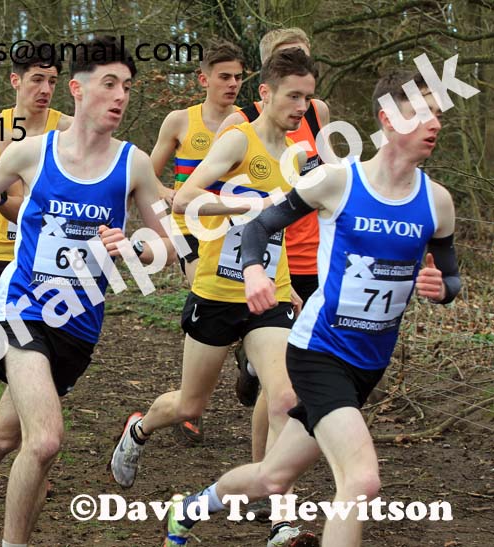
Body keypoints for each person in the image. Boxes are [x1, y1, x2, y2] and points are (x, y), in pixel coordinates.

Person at [163, 69, 459, 547]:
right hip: (319, 352)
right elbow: (260, 226)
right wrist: (256, 272)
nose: (435, 124)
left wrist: (439, 287)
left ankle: (193, 506)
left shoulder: (437, 203)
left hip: (370, 364)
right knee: (361, 482)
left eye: (438, 115)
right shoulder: (337, 181)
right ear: (386, 119)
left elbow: (450, 279)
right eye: (421, 113)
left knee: (272, 478)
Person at [0, 36, 177, 547]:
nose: (120, 95)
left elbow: (168, 247)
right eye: (109, 84)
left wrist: (134, 249)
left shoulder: (135, 165)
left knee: (4, 434)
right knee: (46, 440)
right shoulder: (33, 152)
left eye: (126, 86)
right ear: (78, 91)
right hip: (22, 313)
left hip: (78, 325)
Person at [110, 47, 317, 547]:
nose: (301, 107)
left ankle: (279, 514)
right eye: (293, 96)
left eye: (308, 99)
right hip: (217, 291)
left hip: (269, 294)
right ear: (265, 93)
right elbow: (184, 198)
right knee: (189, 404)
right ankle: (139, 429)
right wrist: (250, 204)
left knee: (284, 397)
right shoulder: (235, 140)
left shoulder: (299, 154)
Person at [220, 31, 331, 483]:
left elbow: (324, 179)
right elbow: (216, 199)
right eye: (286, 59)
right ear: (267, 75)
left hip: (314, 256)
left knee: (296, 373)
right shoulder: (239, 124)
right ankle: (268, 477)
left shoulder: (318, 113)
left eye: (302, 57)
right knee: (279, 384)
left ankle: (272, 473)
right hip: (268, 260)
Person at [148, 38, 245, 444]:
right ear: (204, 78)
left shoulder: (249, 121)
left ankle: (242, 361)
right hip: (189, 228)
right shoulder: (179, 121)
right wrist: (166, 194)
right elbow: (146, 172)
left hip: (232, 231)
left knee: (236, 306)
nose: (232, 84)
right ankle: (192, 407)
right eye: (224, 76)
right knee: (203, 292)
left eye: (239, 77)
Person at [0, 43, 71, 312]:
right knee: (9, 329)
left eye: (52, 81)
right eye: (37, 79)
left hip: (50, 251)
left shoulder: (68, 130)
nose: (45, 89)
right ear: (15, 81)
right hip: (1, 249)